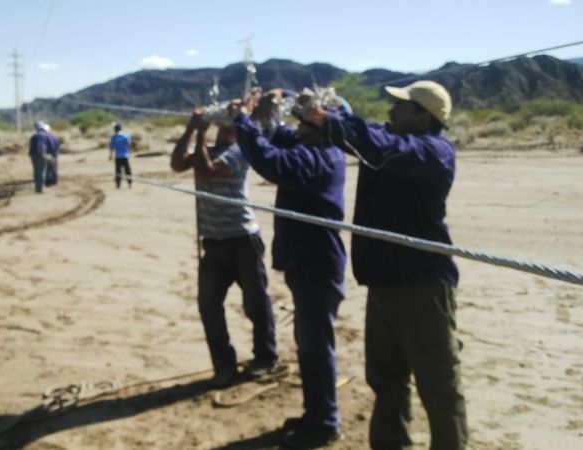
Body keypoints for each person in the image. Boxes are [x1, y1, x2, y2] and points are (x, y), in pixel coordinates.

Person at [304, 80, 467, 450]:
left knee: (439, 387)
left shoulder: (433, 151)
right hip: (384, 286)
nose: (391, 112)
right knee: (386, 382)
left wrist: (332, 120)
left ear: (423, 119)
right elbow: (367, 134)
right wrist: (323, 113)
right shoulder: (393, 139)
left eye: (402, 107)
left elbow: (379, 146)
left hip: (422, 287)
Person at [232, 90, 347, 449]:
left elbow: (270, 160)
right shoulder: (313, 149)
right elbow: (277, 136)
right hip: (308, 264)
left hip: (317, 265)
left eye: (306, 124)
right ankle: (315, 415)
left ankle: (324, 423)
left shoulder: (319, 159)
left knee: (316, 347)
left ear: (325, 130)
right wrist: (265, 114)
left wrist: (243, 121)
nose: (297, 129)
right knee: (309, 345)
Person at [170, 109, 278, 387]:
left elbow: (208, 170)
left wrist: (200, 133)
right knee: (209, 305)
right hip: (213, 241)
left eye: (230, 125)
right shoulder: (207, 149)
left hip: (242, 239)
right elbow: (177, 163)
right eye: (223, 124)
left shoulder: (241, 151)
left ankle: (265, 358)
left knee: (255, 303)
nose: (225, 128)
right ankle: (224, 366)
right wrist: (192, 129)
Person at [29, 120, 58, 193]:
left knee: (36, 171)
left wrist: (31, 155)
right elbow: (52, 147)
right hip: (43, 154)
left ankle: (37, 187)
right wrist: (53, 155)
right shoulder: (46, 135)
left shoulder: (34, 136)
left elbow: (31, 147)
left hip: (33, 155)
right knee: (43, 171)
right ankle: (41, 188)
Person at [109, 123, 133, 188]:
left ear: (115, 129)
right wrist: (129, 152)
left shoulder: (114, 137)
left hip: (118, 156)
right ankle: (129, 183)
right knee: (127, 170)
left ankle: (118, 184)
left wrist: (110, 155)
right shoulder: (126, 135)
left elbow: (112, 147)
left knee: (118, 170)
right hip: (125, 156)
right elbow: (129, 144)